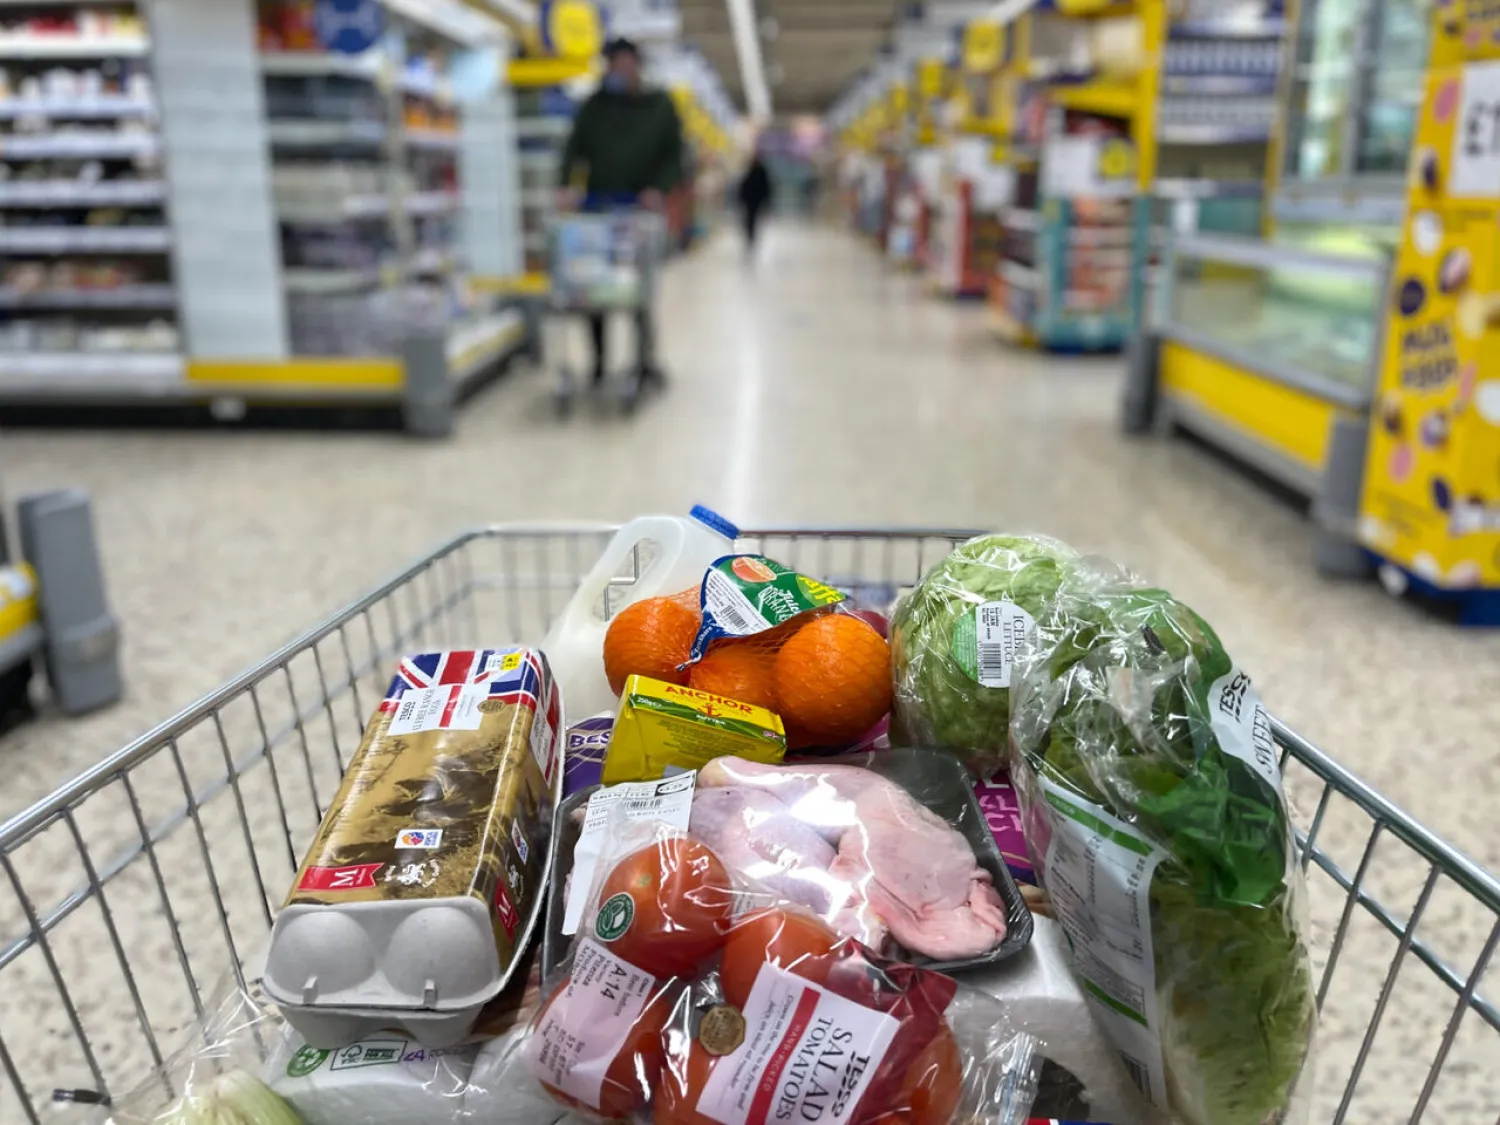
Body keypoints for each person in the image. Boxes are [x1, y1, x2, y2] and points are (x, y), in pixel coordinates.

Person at [558, 38, 684, 387]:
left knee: (638, 292)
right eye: (614, 63)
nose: (620, 70)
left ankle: (644, 362)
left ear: (638, 66)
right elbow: (573, 148)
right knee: (593, 291)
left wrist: (658, 188)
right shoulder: (593, 107)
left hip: (640, 214)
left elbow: (675, 157)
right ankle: (598, 364)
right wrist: (566, 186)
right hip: (596, 211)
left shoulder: (660, 106)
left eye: (626, 63)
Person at [737, 152, 772, 256]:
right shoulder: (753, 170)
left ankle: (751, 235)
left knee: (752, 219)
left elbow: (766, 187)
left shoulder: (759, 171)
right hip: (751, 200)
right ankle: (751, 235)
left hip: (755, 200)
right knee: (751, 219)